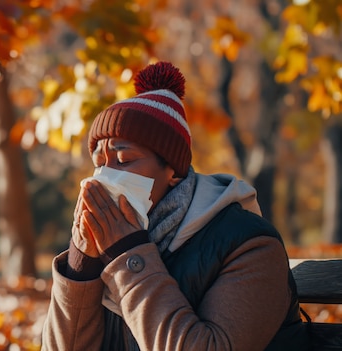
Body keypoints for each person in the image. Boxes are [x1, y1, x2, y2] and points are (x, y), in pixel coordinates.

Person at [41, 61, 309, 351]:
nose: (106, 176)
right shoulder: (104, 242)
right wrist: (81, 265)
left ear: (174, 172)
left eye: (124, 160)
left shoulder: (250, 245)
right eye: (99, 163)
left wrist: (128, 255)